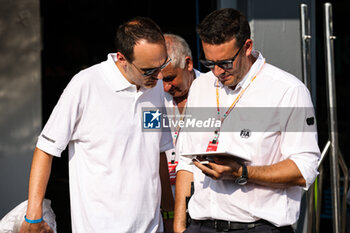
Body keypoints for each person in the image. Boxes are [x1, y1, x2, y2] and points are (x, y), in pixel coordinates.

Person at [20, 17, 174, 233]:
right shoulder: (86, 85)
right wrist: (33, 217)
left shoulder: (154, 87)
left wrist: (169, 212)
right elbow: (46, 149)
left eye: (163, 65)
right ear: (121, 58)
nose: (159, 76)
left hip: (152, 227)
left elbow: (157, 152)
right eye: (148, 70)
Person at [174, 8, 320, 233]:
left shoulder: (287, 90)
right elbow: (186, 161)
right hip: (200, 224)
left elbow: (304, 169)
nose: (217, 72)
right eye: (210, 63)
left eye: (226, 63)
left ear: (247, 47)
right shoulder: (200, 87)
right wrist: (179, 225)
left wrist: (242, 173)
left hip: (257, 227)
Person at [161, 33, 200, 191]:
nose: (165, 87)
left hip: (201, 196)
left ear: (188, 63)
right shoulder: (151, 96)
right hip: (164, 199)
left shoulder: (215, 92)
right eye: (160, 79)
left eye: (169, 78)